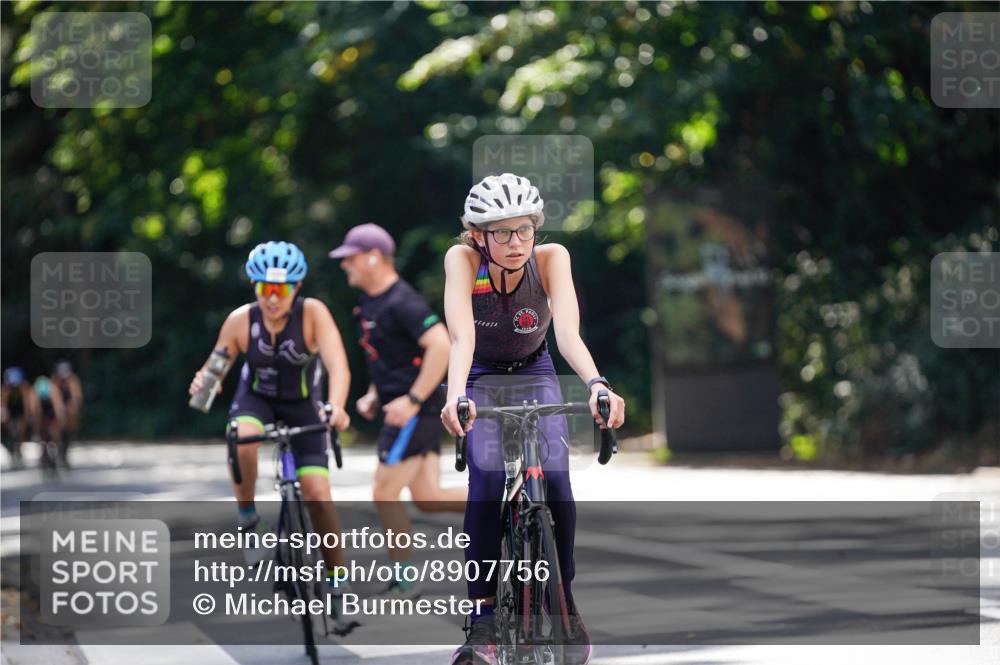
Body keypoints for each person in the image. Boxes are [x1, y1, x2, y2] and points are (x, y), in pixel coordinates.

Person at [439, 174, 626, 665]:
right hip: (480, 378)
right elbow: (462, 337)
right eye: (500, 232)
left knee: (558, 480)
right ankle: (482, 620)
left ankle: (561, 598)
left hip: (535, 372)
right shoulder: (462, 261)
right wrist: (456, 395)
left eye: (524, 230)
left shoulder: (551, 259)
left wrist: (597, 384)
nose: (515, 242)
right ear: (478, 234)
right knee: (487, 480)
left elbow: (566, 333)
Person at [188, 241, 358, 634]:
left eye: (280, 290)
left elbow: (338, 365)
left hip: (303, 402)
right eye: (264, 288)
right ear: (254, 286)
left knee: (317, 493)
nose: (272, 298)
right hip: (257, 399)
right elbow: (215, 369)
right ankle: (248, 519)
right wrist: (204, 384)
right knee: (242, 436)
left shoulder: (313, 313)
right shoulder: (240, 321)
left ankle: (337, 582)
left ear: (296, 288)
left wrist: (337, 406)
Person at [330, 223, 467, 599]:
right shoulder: (369, 304)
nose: (346, 267)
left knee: (384, 491)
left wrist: (413, 400)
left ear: (374, 257)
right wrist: (375, 392)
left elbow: (440, 344)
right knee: (428, 497)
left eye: (351, 259)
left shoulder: (401, 300)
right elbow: (389, 358)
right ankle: (509, 501)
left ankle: (406, 578)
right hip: (401, 407)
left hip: (414, 411)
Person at [2, 367, 39, 468]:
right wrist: (4, 417)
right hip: (11, 412)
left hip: (21, 412)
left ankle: (20, 449)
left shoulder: (25, 388)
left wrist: (28, 417)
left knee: (20, 431)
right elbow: (4, 405)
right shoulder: (6, 389)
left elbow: (28, 405)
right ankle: (12, 451)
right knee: (7, 430)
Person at [52, 360, 83, 467]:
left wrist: (72, 409)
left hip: (69, 410)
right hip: (57, 408)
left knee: (68, 433)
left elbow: (76, 396)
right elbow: (54, 397)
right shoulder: (55, 382)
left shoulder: (73, 380)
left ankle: (64, 454)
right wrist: (59, 409)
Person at [34, 376, 66, 469]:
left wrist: (59, 422)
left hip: (51, 411)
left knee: (55, 434)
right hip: (42, 412)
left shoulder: (54, 392)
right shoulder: (35, 395)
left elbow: (58, 408)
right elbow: (35, 412)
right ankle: (44, 453)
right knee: (42, 434)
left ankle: (58, 453)